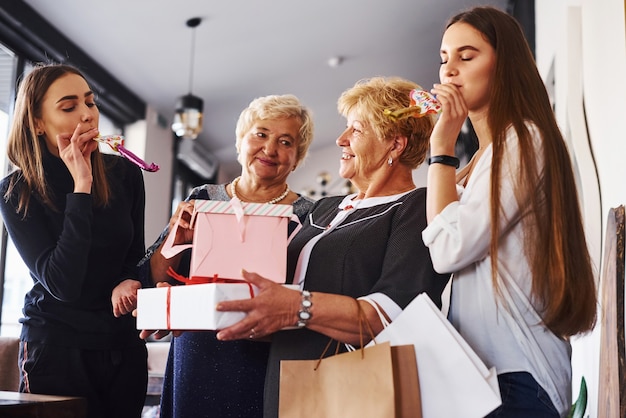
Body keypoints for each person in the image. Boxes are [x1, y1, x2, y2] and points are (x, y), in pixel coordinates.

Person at [215, 76, 450, 418]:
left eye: (355, 129)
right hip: (285, 377)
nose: (340, 139)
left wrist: (297, 306)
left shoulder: (415, 207)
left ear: (395, 145)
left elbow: (388, 315)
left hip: (350, 390)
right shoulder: (327, 207)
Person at [421, 6, 597, 417]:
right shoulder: (486, 158)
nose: (450, 71)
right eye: (444, 59)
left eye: (467, 57)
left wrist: (441, 147)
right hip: (484, 373)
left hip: (518, 376)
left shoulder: (522, 140)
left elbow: (448, 249)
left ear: (505, 65)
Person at [139, 94, 315, 418]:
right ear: (241, 139)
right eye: (261, 134)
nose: (270, 148)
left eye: (285, 141)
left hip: (264, 356)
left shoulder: (307, 214)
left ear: (297, 156)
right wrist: (175, 237)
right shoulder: (203, 198)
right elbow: (157, 278)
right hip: (196, 352)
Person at [0, 63, 148, 417]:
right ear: (37, 122)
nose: (87, 115)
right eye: (69, 107)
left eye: (90, 102)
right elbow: (62, 284)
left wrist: (131, 278)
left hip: (122, 347)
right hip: (55, 348)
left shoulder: (125, 173)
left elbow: (134, 256)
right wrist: (81, 186)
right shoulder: (16, 191)